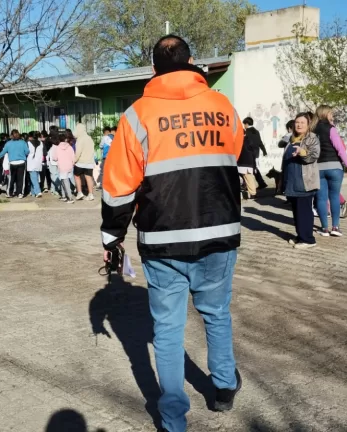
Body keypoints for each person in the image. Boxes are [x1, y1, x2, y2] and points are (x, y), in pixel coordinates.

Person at [99, 35, 244, 432]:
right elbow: (232, 153)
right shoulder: (221, 106)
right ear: (192, 62)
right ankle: (224, 387)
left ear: (152, 70)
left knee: (166, 330)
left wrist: (112, 236)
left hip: (162, 240)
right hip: (219, 230)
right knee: (216, 314)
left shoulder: (135, 116)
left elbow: (117, 187)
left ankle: (173, 419)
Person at [312, 105, 347, 237]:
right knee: (334, 197)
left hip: (318, 168)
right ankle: (335, 227)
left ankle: (324, 228)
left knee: (321, 198)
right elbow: (340, 149)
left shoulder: (312, 130)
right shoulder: (331, 129)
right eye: (331, 113)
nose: (332, 115)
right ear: (325, 114)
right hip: (334, 167)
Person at [281, 112, 321, 249]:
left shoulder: (312, 138)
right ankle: (301, 236)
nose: (298, 125)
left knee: (304, 211)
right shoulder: (291, 139)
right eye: (297, 122)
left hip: (304, 182)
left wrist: (303, 152)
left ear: (308, 125)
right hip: (291, 182)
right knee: (296, 211)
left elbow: (314, 155)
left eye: (302, 122)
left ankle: (308, 240)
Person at [0, 130, 29, 198]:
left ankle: (9, 193)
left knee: (11, 179)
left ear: (11, 135)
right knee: (21, 179)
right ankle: (20, 193)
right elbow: (27, 152)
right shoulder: (23, 142)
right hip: (22, 162)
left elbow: (3, 152)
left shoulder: (8, 143)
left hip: (12, 163)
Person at [73, 124, 96, 201]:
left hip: (80, 162)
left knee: (76, 176)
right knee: (89, 178)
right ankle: (91, 194)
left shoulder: (80, 139)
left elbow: (78, 151)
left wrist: (74, 160)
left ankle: (79, 192)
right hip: (89, 162)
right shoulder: (89, 138)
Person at [238, 123, 258, 199]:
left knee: (248, 178)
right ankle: (251, 192)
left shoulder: (242, 141)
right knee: (248, 178)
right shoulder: (248, 140)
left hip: (244, 162)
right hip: (247, 162)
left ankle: (253, 193)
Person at [54, 133, 75, 203]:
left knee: (65, 182)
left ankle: (70, 198)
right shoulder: (70, 147)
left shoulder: (57, 148)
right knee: (65, 182)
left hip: (62, 167)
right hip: (70, 166)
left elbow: (55, 158)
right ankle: (64, 196)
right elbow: (73, 157)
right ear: (65, 139)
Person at [26, 133, 44, 197]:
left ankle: (38, 192)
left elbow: (26, 152)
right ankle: (33, 192)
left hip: (31, 162)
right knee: (34, 177)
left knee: (34, 178)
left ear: (30, 137)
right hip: (38, 162)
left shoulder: (28, 143)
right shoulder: (41, 143)